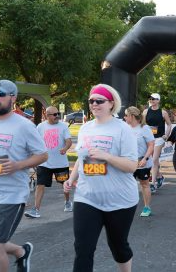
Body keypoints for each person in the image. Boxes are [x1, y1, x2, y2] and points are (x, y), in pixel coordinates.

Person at [64, 84, 138, 272]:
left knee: (118, 247)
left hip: (119, 199)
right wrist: (72, 178)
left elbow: (131, 166)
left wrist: (107, 156)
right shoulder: (85, 129)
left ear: (111, 103)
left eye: (99, 101)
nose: (94, 104)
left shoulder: (123, 129)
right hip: (87, 197)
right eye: (91, 101)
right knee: (83, 249)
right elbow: (82, 158)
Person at [0, 80, 48, 272]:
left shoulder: (24, 126)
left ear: (13, 98)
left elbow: (43, 155)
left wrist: (18, 165)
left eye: (1, 94)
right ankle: (21, 251)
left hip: (10, 195)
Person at [24, 106, 73, 219]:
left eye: (57, 114)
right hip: (44, 162)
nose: (57, 116)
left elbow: (69, 141)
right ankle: (36, 209)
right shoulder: (41, 127)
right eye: (54, 114)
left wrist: (65, 149)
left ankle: (67, 201)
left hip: (60, 164)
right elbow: (35, 142)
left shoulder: (63, 126)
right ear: (47, 115)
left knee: (64, 185)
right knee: (40, 185)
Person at [125, 106, 155, 217]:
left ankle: (147, 207)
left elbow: (151, 145)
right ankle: (127, 207)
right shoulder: (125, 128)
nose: (125, 118)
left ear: (132, 116)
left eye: (126, 115)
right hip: (129, 162)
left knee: (144, 184)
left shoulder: (144, 128)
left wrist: (145, 159)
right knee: (127, 184)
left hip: (142, 162)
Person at [143, 93, 172, 193]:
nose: (151, 100)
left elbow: (169, 124)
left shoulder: (163, 112)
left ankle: (152, 184)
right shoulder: (146, 111)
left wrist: (166, 135)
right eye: (150, 99)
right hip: (148, 139)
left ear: (158, 101)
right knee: (152, 161)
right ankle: (159, 176)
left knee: (154, 159)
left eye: (154, 99)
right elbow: (143, 125)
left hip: (159, 138)